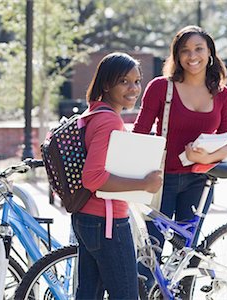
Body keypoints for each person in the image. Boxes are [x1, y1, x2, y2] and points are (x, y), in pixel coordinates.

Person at [132, 25, 227, 290]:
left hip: (199, 181)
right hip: (159, 181)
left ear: (210, 52)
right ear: (176, 56)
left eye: (199, 49)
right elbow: (140, 133)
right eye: (185, 51)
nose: (192, 56)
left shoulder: (222, 94)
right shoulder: (160, 88)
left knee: (184, 254)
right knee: (150, 252)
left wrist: (206, 155)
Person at [72, 52, 162, 299]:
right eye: (124, 81)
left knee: (88, 293)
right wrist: (144, 183)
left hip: (87, 217)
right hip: (108, 223)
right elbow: (93, 178)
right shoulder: (108, 121)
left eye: (136, 81)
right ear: (106, 84)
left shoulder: (93, 113)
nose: (133, 88)